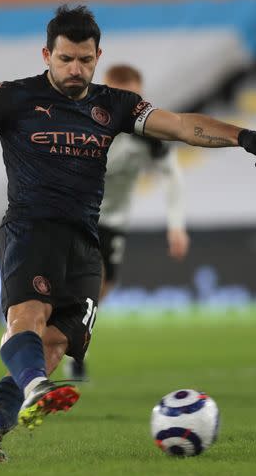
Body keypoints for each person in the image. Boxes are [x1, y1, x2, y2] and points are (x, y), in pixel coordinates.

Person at [0, 5, 256, 462]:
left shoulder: (114, 105)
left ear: (98, 55)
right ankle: (35, 388)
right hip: (30, 229)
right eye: (66, 59)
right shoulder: (14, 97)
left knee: (52, 346)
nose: (76, 69)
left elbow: (182, 125)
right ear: (46, 54)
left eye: (85, 60)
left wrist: (241, 135)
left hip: (86, 244)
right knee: (25, 321)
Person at [65, 64, 189, 381]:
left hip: (114, 220)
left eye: (133, 94)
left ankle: (75, 342)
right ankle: (70, 349)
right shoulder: (80, 121)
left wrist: (176, 225)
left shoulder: (149, 134)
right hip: (76, 213)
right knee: (88, 282)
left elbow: (171, 174)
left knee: (102, 288)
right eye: (120, 93)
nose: (126, 100)